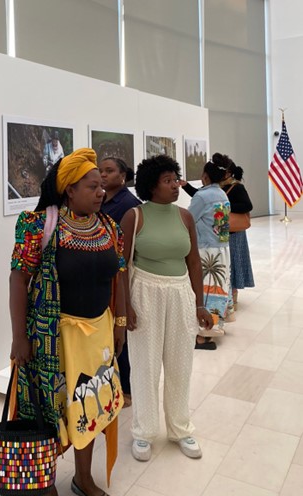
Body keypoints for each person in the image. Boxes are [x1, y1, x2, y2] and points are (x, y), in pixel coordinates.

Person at [10, 148, 127, 496]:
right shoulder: (38, 226)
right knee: (48, 407)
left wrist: (119, 321)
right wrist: (20, 338)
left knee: (88, 407)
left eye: (101, 185)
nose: (100, 192)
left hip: (99, 335)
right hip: (54, 337)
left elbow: (120, 273)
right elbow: (19, 280)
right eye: (91, 186)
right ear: (69, 190)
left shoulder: (108, 226)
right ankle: (43, 481)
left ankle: (83, 478)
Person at [119, 155, 213, 462]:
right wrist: (126, 307)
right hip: (145, 292)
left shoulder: (184, 216)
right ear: (151, 185)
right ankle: (144, 432)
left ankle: (180, 428)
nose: (176, 186)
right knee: (145, 365)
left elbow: (194, 261)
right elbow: (121, 267)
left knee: (180, 363)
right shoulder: (135, 216)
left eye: (176, 179)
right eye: (168, 181)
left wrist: (200, 302)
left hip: (179, 293)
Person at [99, 157, 140, 407]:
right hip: (103, 272)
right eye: (101, 171)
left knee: (121, 332)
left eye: (109, 171)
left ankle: (127, 389)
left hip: (121, 273)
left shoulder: (129, 205)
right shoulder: (100, 199)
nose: (103, 175)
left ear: (122, 176)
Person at [187, 156, 232, 351]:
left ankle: (203, 336)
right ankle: (215, 326)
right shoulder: (222, 193)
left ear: (205, 176)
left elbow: (189, 219)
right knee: (218, 288)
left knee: (204, 291)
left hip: (205, 251)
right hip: (221, 248)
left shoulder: (202, 196)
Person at [221, 160, 254, 308]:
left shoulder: (237, 187)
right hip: (223, 229)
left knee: (234, 262)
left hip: (235, 232)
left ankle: (233, 294)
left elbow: (248, 205)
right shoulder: (217, 186)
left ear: (228, 172)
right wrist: (185, 186)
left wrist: (226, 205)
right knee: (226, 262)